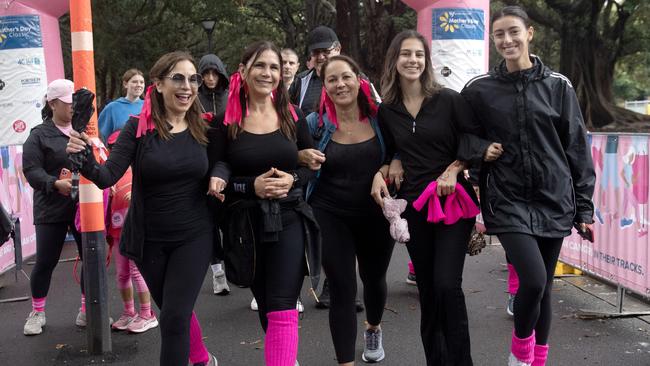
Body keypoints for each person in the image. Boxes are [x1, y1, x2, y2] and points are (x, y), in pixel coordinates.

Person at [459, 6, 595, 366]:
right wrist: (480, 150)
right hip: (506, 198)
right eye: (499, 34)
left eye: (513, 32)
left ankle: (537, 359)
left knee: (544, 287)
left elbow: (576, 147)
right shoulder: (479, 89)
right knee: (532, 281)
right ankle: (521, 348)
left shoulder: (558, 86)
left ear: (529, 33)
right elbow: (460, 138)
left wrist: (584, 207)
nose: (507, 40)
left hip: (554, 197)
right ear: (493, 40)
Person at [67, 51, 221, 366]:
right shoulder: (138, 128)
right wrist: (81, 155)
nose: (188, 86)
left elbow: (226, 161)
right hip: (149, 239)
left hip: (194, 236)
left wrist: (222, 176)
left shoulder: (206, 128)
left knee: (174, 319)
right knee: (175, 312)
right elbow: (106, 176)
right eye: (178, 78)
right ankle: (202, 359)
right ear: (158, 84)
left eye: (192, 79)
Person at [209, 40, 320, 366]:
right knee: (268, 304)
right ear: (243, 71)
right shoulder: (224, 122)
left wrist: (293, 179)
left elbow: (310, 169)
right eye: (260, 65)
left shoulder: (291, 115)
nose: (268, 73)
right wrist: (251, 185)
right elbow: (219, 182)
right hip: (245, 225)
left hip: (288, 219)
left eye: (274, 67)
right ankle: (284, 356)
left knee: (284, 304)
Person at [373, 30, 481, 365]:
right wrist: (387, 164)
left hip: (451, 203)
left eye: (419, 55)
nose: (413, 60)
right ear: (395, 60)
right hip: (416, 208)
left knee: (448, 284)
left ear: (427, 60)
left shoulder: (448, 100)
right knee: (429, 292)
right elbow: (390, 148)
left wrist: (454, 168)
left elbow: (473, 140)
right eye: (406, 54)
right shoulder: (387, 111)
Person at [304, 54, 394, 364]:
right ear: (324, 86)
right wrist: (303, 158)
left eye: (346, 77)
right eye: (332, 79)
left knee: (374, 279)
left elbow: (401, 155)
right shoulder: (315, 124)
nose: (340, 84)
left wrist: (385, 169)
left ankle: (373, 327)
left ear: (359, 80)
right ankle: (345, 361)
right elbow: (295, 157)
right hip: (330, 213)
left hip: (375, 213)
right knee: (342, 288)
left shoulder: (381, 118)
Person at [22, 79, 86, 336]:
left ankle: (87, 309)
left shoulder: (83, 129)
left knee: (91, 259)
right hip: (51, 207)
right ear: (52, 103)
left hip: (85, 207)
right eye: (69, 103)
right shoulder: (39, 134)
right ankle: (37, 312)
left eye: (75, 103)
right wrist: (54, 183)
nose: (73, 107)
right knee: (46, 261)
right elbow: (31, 170)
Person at [103, 130, 158, 333]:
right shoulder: (111, 171)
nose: (118, 151)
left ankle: (147, 313)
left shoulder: (141, 168)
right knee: (122, 273)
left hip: (136, 230)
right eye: (114, 148)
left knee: (137, 272)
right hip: (117, 232)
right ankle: (129, 312)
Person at [197, 53, 231, 295]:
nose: (210, 78)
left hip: (229, 165)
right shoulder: (193, 100)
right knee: (209, 223)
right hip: (202, 166)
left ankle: (236, 263)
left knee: (230, 221)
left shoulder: (231, 98)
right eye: (206, 73)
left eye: (214, 73)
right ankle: (217, 270)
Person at [289, 25, 342, 115]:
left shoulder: (354, 78)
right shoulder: (300, 81)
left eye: (326, 51)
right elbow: (285, 113)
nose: (321, 57)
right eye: (316, 52)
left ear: (338, 49)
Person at [98, 69, 145, 141]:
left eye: (141, 82)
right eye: (134, 82)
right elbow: (101, 137)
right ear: (125, 84)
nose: (139, 85)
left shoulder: (149, 106)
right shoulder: (112, 108)